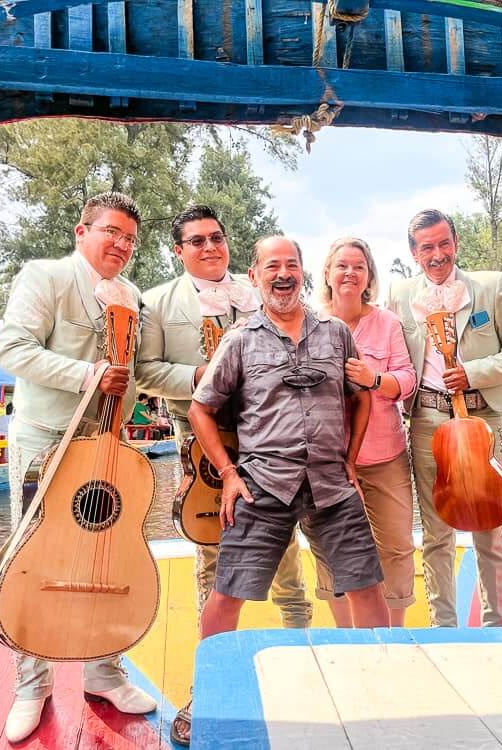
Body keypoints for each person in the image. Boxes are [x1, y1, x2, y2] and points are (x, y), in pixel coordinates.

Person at [183, 236, 390, 746]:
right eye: (271, 266)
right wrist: (229, 474)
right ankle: (203, 692)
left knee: (366, 586)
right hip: (262, 484)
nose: (283, 274)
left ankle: (385, 687)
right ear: (254, 276)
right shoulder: (240, 339)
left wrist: (348, 460)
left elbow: (360, 398)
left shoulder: (336, 333)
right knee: (228, 593)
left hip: (331, 482)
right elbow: (200, 409)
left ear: (304, 274)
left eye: (291, 265)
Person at [0, 191, 156, 743]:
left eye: (130, 238)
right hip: (45, 440)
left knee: (107, 552)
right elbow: (13, 350)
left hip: (105, 440)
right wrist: (87, 376)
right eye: (111, 232)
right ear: (81, 231)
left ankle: (103, 672)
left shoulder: (132, 295)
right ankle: (30, 685)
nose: (122, 244)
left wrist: (123, 419)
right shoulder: (45, 276)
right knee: (31, 556)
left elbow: (132, 370)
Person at [137, 206, 312, 629]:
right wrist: (202, 375)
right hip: (201, 436)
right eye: (197, 241)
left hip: (265, 433)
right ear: (179, 250)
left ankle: (301, 639)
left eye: (217, 238)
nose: (210, 247)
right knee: (213, 542)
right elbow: (145, 372)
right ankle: (211, 669)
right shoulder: (157, 302)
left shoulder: (262, 293)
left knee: (284, 539)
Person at [384, 209, 502, 628]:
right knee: (437, 530)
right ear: (414, 253)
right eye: (427, 247)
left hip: (483, 418)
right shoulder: (398, 295)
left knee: (490, 524)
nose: (437, 254)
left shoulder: (490, 286)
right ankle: (444, 628)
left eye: (443, 243)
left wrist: (473, 372)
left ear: (456, 243)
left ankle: (495, 625)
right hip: (427, 420)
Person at [316, 237, 418, 627]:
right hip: (327, 460)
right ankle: (346, 637)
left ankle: (393, 635)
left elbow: (407, 380)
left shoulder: (387, 322)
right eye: (341, 265)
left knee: (395, 545)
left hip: (384, 455)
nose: (349, 273)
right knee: (330, 547)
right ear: (327, 273)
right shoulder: (310, 322)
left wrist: (375, 378)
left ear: (368, 276)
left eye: (358, 266)